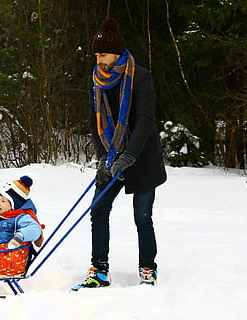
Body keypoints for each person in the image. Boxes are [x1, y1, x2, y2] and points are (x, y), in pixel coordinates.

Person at [73, 17, 167, 289]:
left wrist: (130, 155)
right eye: (96, 54)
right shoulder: (97, 80)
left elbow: (146, 120)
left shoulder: (141, 77)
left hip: (142, 157)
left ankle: (148, 268)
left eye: (102, 54)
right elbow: (95, 121)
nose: (98, 59)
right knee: (98, 210)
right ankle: (99, 270)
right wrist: (105, 155)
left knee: (142, 216)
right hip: (111, 156)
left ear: (116, 54)